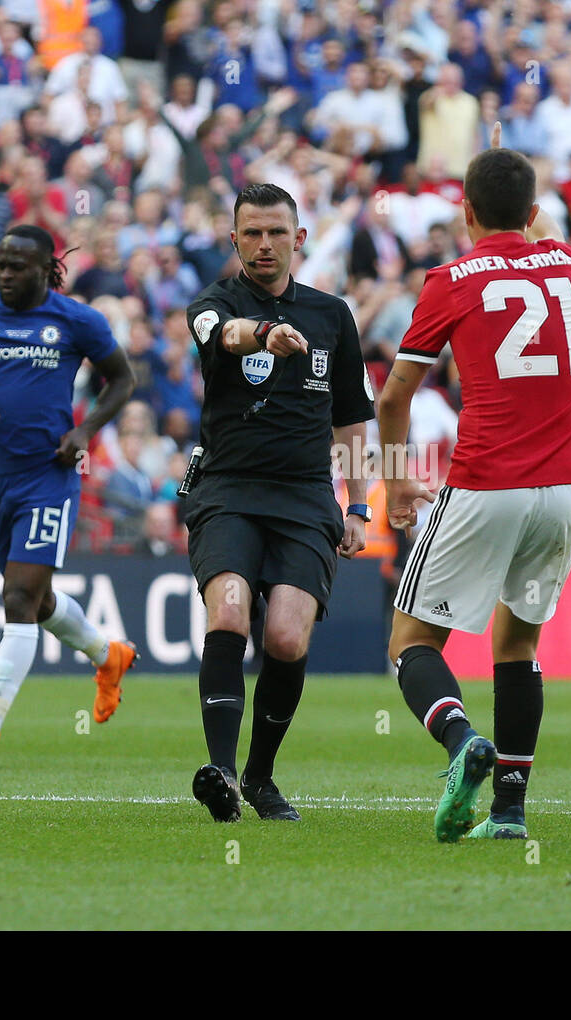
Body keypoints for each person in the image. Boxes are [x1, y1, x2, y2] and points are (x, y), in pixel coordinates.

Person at [376, 123, 571, 842]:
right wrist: (508, 172)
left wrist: (399, 482)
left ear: (464, 210)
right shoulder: (565, 265)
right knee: (518, 647)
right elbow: (540, 219)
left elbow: (392, 397)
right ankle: (509, 813)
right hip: (564, 489)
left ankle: (461, 737)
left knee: (410, 643)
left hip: (485, 481)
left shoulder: (448, 283)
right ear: (532, 214)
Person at [181, 182, 374, 822]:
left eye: (277, 233)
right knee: (230, 615)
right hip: (228, 490)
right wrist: (265, 335)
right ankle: (221, 771)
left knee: (287, 639)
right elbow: (226, 335)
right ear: (234, 239)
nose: (265, 245)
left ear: (300, 239)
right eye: (252, 234)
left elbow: (351, 419)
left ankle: (260, 776)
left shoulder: (332, 316)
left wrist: (358, 506)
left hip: (303, 498)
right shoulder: (211, 304)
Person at [0, 225, 136, 766]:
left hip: (49, 478)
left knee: (18, 599)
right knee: (37, 600)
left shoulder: (77, 320)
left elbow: (121, 380)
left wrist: (84, 431)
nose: (4, 274)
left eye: (16, 266)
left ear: (46, 268)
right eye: (0, 264)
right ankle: (107, 654)